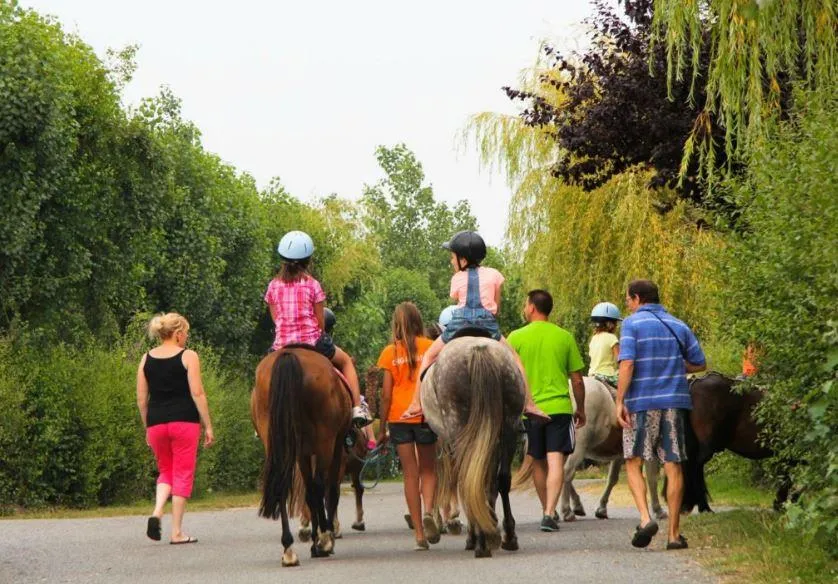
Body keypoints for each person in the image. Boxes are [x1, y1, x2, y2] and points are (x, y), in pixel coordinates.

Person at [402, 231, 548, 422]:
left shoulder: (457, 278)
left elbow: (456, 299)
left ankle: (416, 403)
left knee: (429, 356)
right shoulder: (495, 275)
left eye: (453, 257)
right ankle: (529, 403)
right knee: (515, 359)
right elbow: (496, 309)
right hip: (487, 323)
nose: (452, 261)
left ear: (463, 259)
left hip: (460, 323)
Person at [615, 279, 706, 550]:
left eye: (628, 300)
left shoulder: (631, 324)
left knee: (633, 461)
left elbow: (627, 363)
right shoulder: (678, 325)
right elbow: (700, 363)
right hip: (674, 403)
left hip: (641, 403)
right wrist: (674, 364)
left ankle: (645, 519)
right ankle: (674, 535)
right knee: (673, 464)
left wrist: (619, 400)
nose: (628, 305)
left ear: (637, 298)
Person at [265, 230, 371, 427]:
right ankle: (357, 408)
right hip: (312, 341)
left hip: (282, 344)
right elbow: (320, 322)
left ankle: (264, 414)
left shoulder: (273, 285)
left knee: (264, 372)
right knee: (346, 361)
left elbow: (275, 318)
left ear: (282, 259)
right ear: (308, 260)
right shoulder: (313, 285)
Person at [507, 290, 586, 532]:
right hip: (559, 409)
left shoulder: (515, 338)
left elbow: (508, 376)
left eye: (525, 304)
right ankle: (550, 512)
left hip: (531, 411)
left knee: (538, 462)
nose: (524, 308)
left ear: (532, 307)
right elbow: (577, 380)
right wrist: (581, 408)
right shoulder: (564, 337)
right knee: (556, 460)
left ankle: (546, 510)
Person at [136, 313, 214, 545]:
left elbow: (141, 399)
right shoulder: (188, 356)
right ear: (178, 334)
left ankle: (157, 511)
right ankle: (177, 532)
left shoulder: (146, 358)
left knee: (165, 470)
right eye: (186, 333)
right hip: (184, 421)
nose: (186, 337)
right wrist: (208, 425)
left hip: (156, 422)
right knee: (182, 473)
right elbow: (197, 392)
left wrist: (147, 427)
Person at [376, 302, 439, 550]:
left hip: (399, 418)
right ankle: (430, 511)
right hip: (425, 415)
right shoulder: (430, 346)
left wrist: (382, 428)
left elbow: (386, 395)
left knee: (410, 474)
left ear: (397, 324)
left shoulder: (389, 353)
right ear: (418, 321)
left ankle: (419, 535)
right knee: (428, 469)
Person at [588, 302, 622, 388]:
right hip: (607, 376)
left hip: (592, 375)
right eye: (615, 323)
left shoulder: (593, 338)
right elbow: (620, 359)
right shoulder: (612, 338)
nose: (616, 326)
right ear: (610, 324)